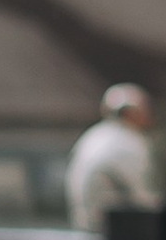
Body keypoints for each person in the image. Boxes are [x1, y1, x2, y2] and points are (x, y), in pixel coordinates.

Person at [66, 84, 158, 231]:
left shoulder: (92, 136)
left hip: (83, 229)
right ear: (131, 113)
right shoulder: (130, 142)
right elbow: (147, 199)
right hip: (114, 236)